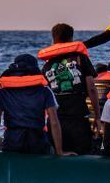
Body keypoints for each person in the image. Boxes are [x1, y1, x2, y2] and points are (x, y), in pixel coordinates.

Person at [0, 54, 69, 156]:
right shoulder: (45, 90)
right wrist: (59, 152)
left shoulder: (2, 92)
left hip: (12, 143)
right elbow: (54, 121)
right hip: (37, 143)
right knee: (51, 150)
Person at [39, 23, 100, 155]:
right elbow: (91, 88)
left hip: (55, 120)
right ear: (71, 39)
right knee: (82, 155)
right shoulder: (80, 58)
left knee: (58, 157)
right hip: (77, 118)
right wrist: (97, 116)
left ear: (53, 40)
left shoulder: (47, 65)